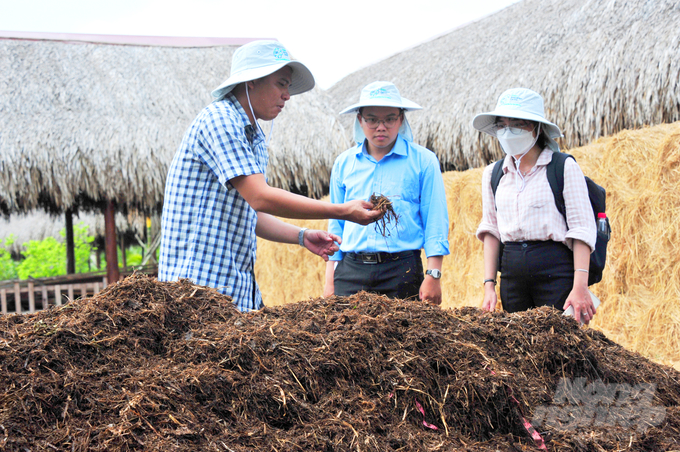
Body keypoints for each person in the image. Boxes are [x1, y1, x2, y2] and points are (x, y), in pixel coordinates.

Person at [159, 40, 382, 311]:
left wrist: (302, 236)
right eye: (281, 83)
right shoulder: (219, 120)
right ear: (251, 81)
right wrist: (341, 211)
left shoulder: (254, 138)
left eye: (288, 86)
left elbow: (251, 213)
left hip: (234, 291)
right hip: (196, 291)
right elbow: (260, 197)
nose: (287, 95)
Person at [473, 88, 597, 324]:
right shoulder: (493, 174)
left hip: (555, 271)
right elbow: (491, 230)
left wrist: (580, 286)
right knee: (520, 349)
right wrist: (490, 285)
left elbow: (582, 229)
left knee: (561, 347)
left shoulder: (563, 167)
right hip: (512, 274)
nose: (509, 132)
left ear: (537, 128)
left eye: (518, 124)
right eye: (502, 125)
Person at [323, 81, 450, 304]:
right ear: (360, 120)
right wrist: (330, 279)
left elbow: (435, 220)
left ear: (401, 119)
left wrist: (434, 274)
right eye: (372, 119)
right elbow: (336, 224)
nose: (381, 127)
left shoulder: (424, 161)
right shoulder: (343, 164)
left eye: (390, 119)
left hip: (402, 271)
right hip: (350, 271)